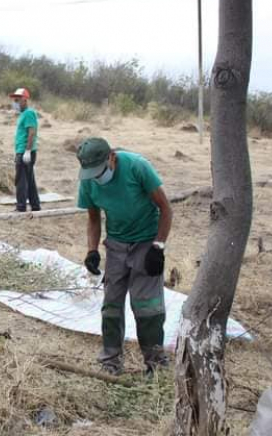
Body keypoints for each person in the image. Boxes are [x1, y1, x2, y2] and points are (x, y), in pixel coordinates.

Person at [75, 137, 173, 376]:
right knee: (111, 305)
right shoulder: (88, 180)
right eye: (92, 173)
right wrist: (92, 250)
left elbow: (165, 208)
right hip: (116, 245)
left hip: (145, 243)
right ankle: (111, 361)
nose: (98, 177)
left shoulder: (137, 167)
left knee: (146, 306)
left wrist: (158, 246)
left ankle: (155, 364)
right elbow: (94, 217)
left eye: (100, 171)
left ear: (112, 157)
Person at [11, 87, 40, 212]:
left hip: (25, 151)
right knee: (29, 179)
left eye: (17, 100)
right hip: (23, 151)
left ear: (24, 100)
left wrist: (27, 151)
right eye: (14, 100)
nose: (15, 103)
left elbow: (32, 132)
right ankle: (35, 206)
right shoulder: (23, 114)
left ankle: (21, 206)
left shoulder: (29, 113)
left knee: (21, 179)